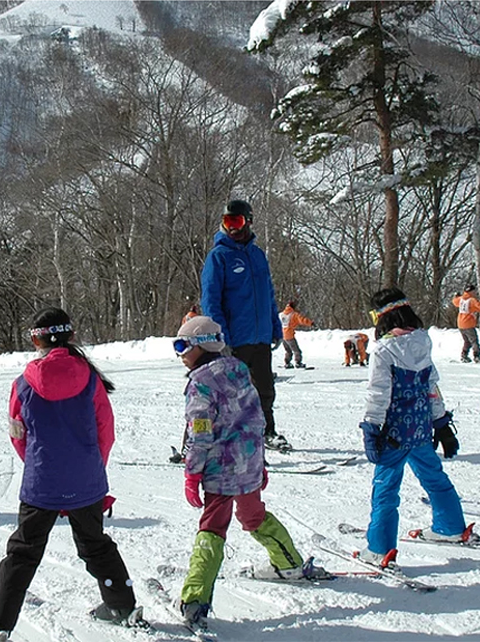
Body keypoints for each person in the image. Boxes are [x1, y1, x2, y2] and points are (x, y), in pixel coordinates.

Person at [0, 308, 139, 641]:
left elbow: (17, 434)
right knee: (96, 545)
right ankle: (122, 605)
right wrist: (91, 469)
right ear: (70, 336)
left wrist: (39, 466)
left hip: (42, 482)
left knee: (23, 552)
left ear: (36, 340)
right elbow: (105, 431)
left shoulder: (23, 383)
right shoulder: (90, 378)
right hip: (86, 480)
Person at [173, 315, 325, 631]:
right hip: (249, 463)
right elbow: (257, 420)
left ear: (202, 346)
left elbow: (199, 433)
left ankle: (195, 600)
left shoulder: (200, 383)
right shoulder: (240, 370)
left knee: (213, 528)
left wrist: (192, 472)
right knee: (253, 515)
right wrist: (261, 462)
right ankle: (288, 563)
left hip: (220, 471)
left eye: (182, 345)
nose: (180, 354)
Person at [357, 290, 467, 568]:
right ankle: (450, 526)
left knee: (386, 489)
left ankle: (380, 549)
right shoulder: (422, 341)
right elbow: (431, 386)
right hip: (420, 429)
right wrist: (440, 423)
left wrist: (371, 428)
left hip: (394, 434)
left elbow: (378, 393)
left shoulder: (384, 350)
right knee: (434, 477)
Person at [200, 199, 289, 451]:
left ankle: (267, 431)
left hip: (260, 336)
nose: (232, 227)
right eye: (227, 221)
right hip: (234, 339)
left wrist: (275, 327)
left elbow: (268, 294)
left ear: (248, 221)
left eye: (237, 221)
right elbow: (210, 300)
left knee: (265, 389)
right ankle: (221, 437)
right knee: (231, 392)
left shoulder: (257, 255)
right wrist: (221, 337)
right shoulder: (219, 256)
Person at [452, 284, 480, 363]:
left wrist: (456, 296)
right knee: (474, 341)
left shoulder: (461, 299)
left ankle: (464, 355)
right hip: (468, 324)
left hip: (460, 324)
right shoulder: (472, 300)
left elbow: (455, 302)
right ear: (471, 291)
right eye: (474, 291)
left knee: (467, 341)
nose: (475, 293)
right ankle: (476, 356)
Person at [278, 300, 314, 369]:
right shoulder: (293, 314)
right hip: (289, 336)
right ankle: (298, 362)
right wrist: (311, 323)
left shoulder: (281, 314)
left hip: (282, 336)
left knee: (288, 351)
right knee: (296, 350)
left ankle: (287, 362)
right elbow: (302, 320)